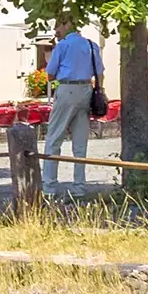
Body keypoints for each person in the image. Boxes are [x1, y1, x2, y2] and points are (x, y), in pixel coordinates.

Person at [41, 16, 104, 192]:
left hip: (67, 89)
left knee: (54, 138)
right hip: (86, 90)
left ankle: (49, 185)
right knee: (80, 141)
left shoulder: (62, 45)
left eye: (57, 26)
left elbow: (50, 75)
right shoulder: (91, 45)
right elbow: (99, 73)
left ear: (67, 24)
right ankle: (79, 186)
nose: (56, 31)